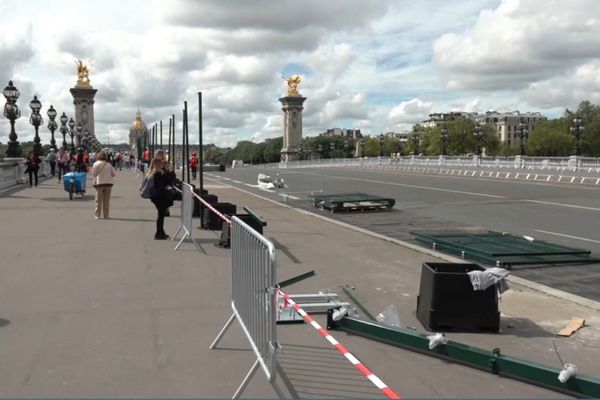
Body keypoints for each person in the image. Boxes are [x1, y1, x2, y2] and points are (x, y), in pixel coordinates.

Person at [146, 157, 175, 239]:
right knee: (161, 215)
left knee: (161, 214)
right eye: (160, 163)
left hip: (155, 196)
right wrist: (169, 171)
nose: (162, 165)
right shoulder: (158, 173)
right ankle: (159, 233)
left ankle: (161, 232)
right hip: (159, 197)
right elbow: (168, 181)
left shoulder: (152, 172)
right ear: (157, 164)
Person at [91, 150, 117, 219]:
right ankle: (106, 215)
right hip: (108, 184)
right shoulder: (109, 164)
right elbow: (114, 174)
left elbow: (94, 174)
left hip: (99, 184)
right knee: (106, 201)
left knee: (98, 200)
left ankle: (97, 215)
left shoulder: (96, 164)